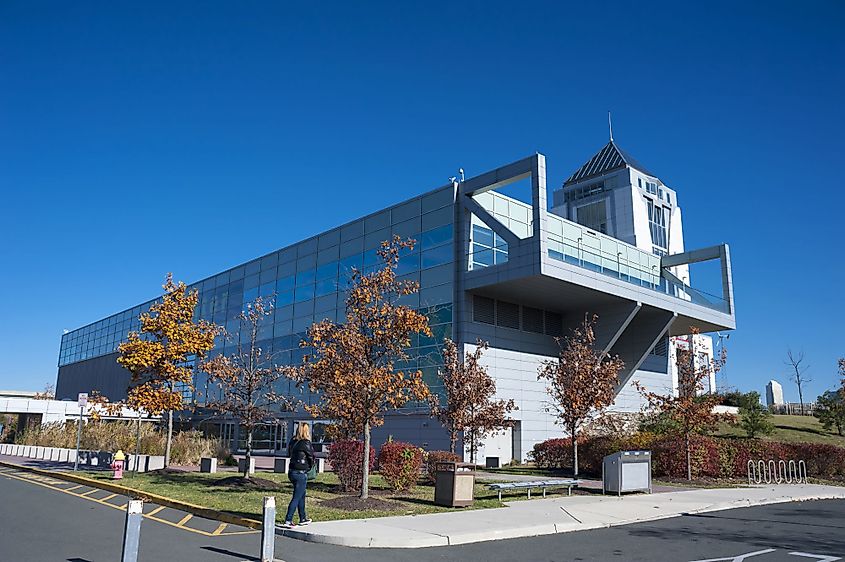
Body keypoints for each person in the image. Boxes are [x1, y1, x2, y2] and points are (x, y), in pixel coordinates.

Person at [282, 422, 315, 528]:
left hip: (292, 471)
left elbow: (289, 453)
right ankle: (288, 519)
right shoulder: (306, 443)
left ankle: (303, 518)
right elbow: (311, 457)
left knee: (301, 495)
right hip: (301, 473)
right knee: (296, 497)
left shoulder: (293, 441)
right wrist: (310, 467)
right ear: (306, 431)